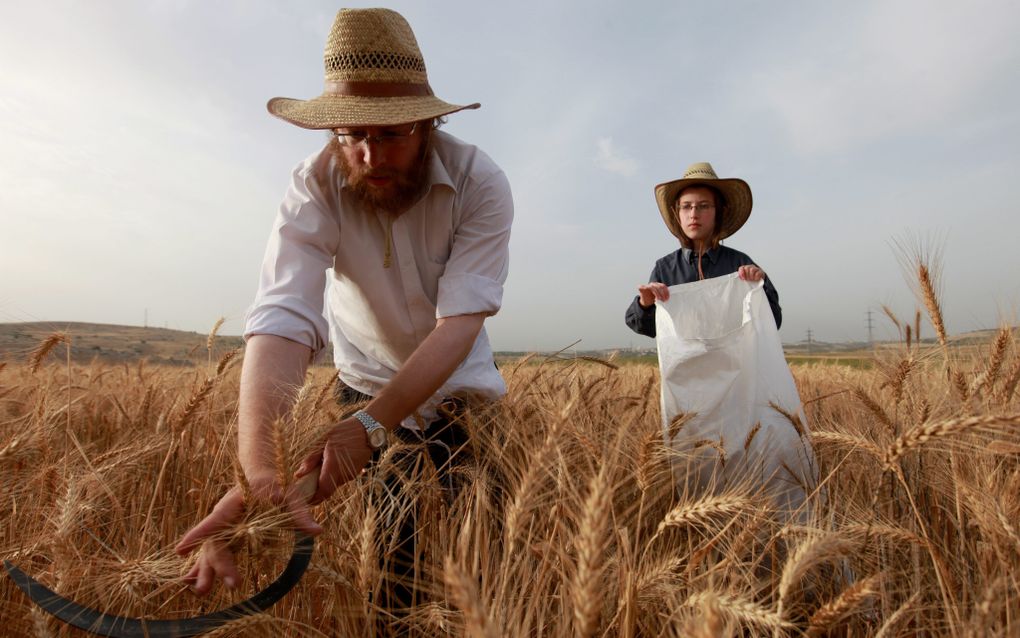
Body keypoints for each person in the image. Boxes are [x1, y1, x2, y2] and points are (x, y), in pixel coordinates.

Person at [175, 7, 513, 608]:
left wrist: (374, 425)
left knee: (484, 549)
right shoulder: (314, 183)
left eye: (390, 134)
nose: (370, 156)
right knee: (392, 559)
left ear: (427, 124)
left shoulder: (479, 181)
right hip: (362, 385)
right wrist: (259, 474)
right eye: (351, 135)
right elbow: (283, 315)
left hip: (462, 389)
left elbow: (461, 319)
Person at [625, 162, 781, 336]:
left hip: (735, 363)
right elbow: (649, 328)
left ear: (720, 212)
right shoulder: (665, 268)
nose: (693, 214)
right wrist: (645, 304)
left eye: (704, 206)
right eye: (686, 206)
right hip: (685, 363)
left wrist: (758, 286)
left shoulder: (740, 264)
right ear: (677, 214)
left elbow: (773, 321)